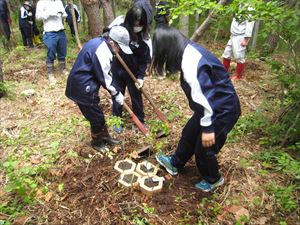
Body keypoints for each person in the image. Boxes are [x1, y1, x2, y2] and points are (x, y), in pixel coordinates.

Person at [152, 27, 241, 192]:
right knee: (189, 133)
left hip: (222, 109)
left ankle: (213, 179)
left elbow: (205, 96)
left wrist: (207, 127)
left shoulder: (191, 62)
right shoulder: (186, 50)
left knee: (204, 147)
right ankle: (175, 163)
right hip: (209, 107)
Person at [65, 26, 132, 151]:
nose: (119, 51)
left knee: (97, 114)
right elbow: (106, 79)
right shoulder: (103, 52)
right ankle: (97, 142)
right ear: (112, 43)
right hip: (82, 86)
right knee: (96, 117)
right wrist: (117, 94)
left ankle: (105, 137)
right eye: (119, 48)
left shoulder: (100, 42)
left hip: (86, 82)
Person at [107, 6, 151, 134]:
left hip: (133, 71)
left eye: (140, 24)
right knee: (116, 93)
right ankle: (117, 121)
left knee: (136, 96)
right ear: (129, 20)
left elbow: (144, 59)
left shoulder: (144, 38)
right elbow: (107, 39)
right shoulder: (119, 28)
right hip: (117, 68)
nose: (137, 26)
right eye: (135, 23)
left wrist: (141, 77)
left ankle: (140, 120)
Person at [35, 0, 67, 84]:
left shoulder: (59, 1)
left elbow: (64, 14)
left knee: (62, 51)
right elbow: (37, 17)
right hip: (50, 31)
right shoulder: (41, 2)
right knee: (51, 52)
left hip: (61, 30)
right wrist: (49, 14)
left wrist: (63, 14)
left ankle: (62, 69)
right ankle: (50, 73)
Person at [222, 14, 255, 80]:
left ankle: (238, 76)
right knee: (226, 54)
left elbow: (250, 25)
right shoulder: (239, 6)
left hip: (240, 36)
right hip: (233, 35)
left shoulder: (250, 10)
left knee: (239, 57)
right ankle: (224, 72)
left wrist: (246, 39)